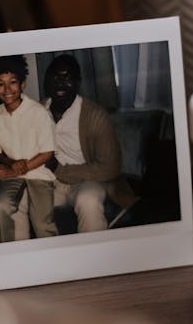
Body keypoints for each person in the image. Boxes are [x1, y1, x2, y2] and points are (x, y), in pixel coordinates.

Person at [43, 55, 138, 233]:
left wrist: (60, 169)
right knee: (30, 202)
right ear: (46, 80)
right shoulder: (38, 111)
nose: (60, 84)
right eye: (55, 78)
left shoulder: (95, 115)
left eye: (67, 78)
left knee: (88, 200)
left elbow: (110, 167)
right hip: (51, 182)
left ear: (78, 82)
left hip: (87, 180)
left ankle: (95, 256)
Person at [0, 55, 57, 241]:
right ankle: (8, 252)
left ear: (22, 84)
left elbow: (47, 152)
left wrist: (19, 167)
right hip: (11, 172)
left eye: (13, 82)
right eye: (0, 84)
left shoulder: (38, 113)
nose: (7, 89)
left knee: (42, 224)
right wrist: (12, 165)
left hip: (38, 172)